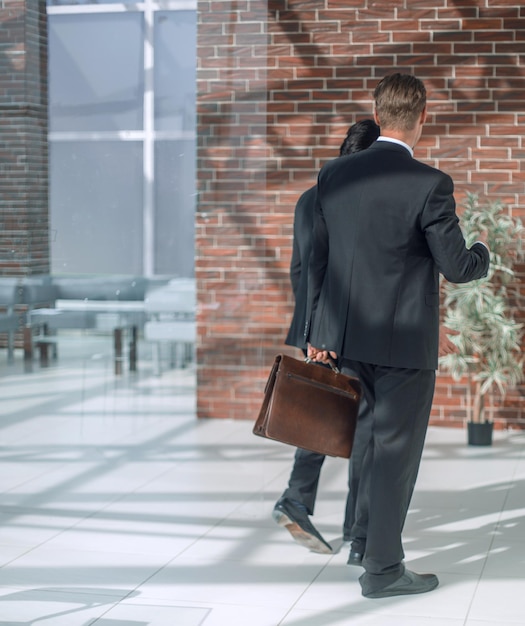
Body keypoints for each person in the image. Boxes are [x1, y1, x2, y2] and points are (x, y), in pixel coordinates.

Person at [305, 73, 490, 599]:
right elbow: (456, 267)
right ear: (422, 118)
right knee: (395, 456)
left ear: (378, 114)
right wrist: (483, 253)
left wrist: (318, 331)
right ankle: (383, 571)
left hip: (345, 339)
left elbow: (320, 261)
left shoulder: (334, 175)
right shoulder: (430, 183)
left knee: (368, 444)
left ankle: (363, 542)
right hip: (404, 346)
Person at [272, 120, 380, 555]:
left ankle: (298, 499)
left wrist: (308, 331)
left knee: (325, 413)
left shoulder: (309, 196)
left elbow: (300, 269)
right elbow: (331, 272)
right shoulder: (350, 201)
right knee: (364, 426)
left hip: (314, 326)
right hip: (340, 329)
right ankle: (358, 534)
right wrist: (325, 333)